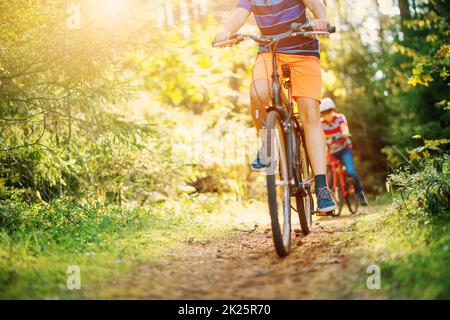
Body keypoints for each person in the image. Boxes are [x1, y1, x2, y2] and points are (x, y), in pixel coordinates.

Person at [215, 0, 337, 213]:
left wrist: (322, 20)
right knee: (257, 93)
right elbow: (238, 15)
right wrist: (226, 32)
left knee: (310, 114)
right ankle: (267, 145)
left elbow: (317, 5)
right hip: (269, 51)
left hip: (304, 51)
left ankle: (321, 186)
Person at [320, 97, 368, 206]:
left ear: (333, 111)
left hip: (345, 148)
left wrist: (344, 133)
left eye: (329, 112)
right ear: (321, 114)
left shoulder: (340, 118)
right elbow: (321, 136)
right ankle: (332, 195)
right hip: (332, 151)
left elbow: (344, 127)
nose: (327, 115)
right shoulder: (321, 124)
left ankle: (360, 193)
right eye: (324, 113)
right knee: (329, 172)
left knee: (350, 170)